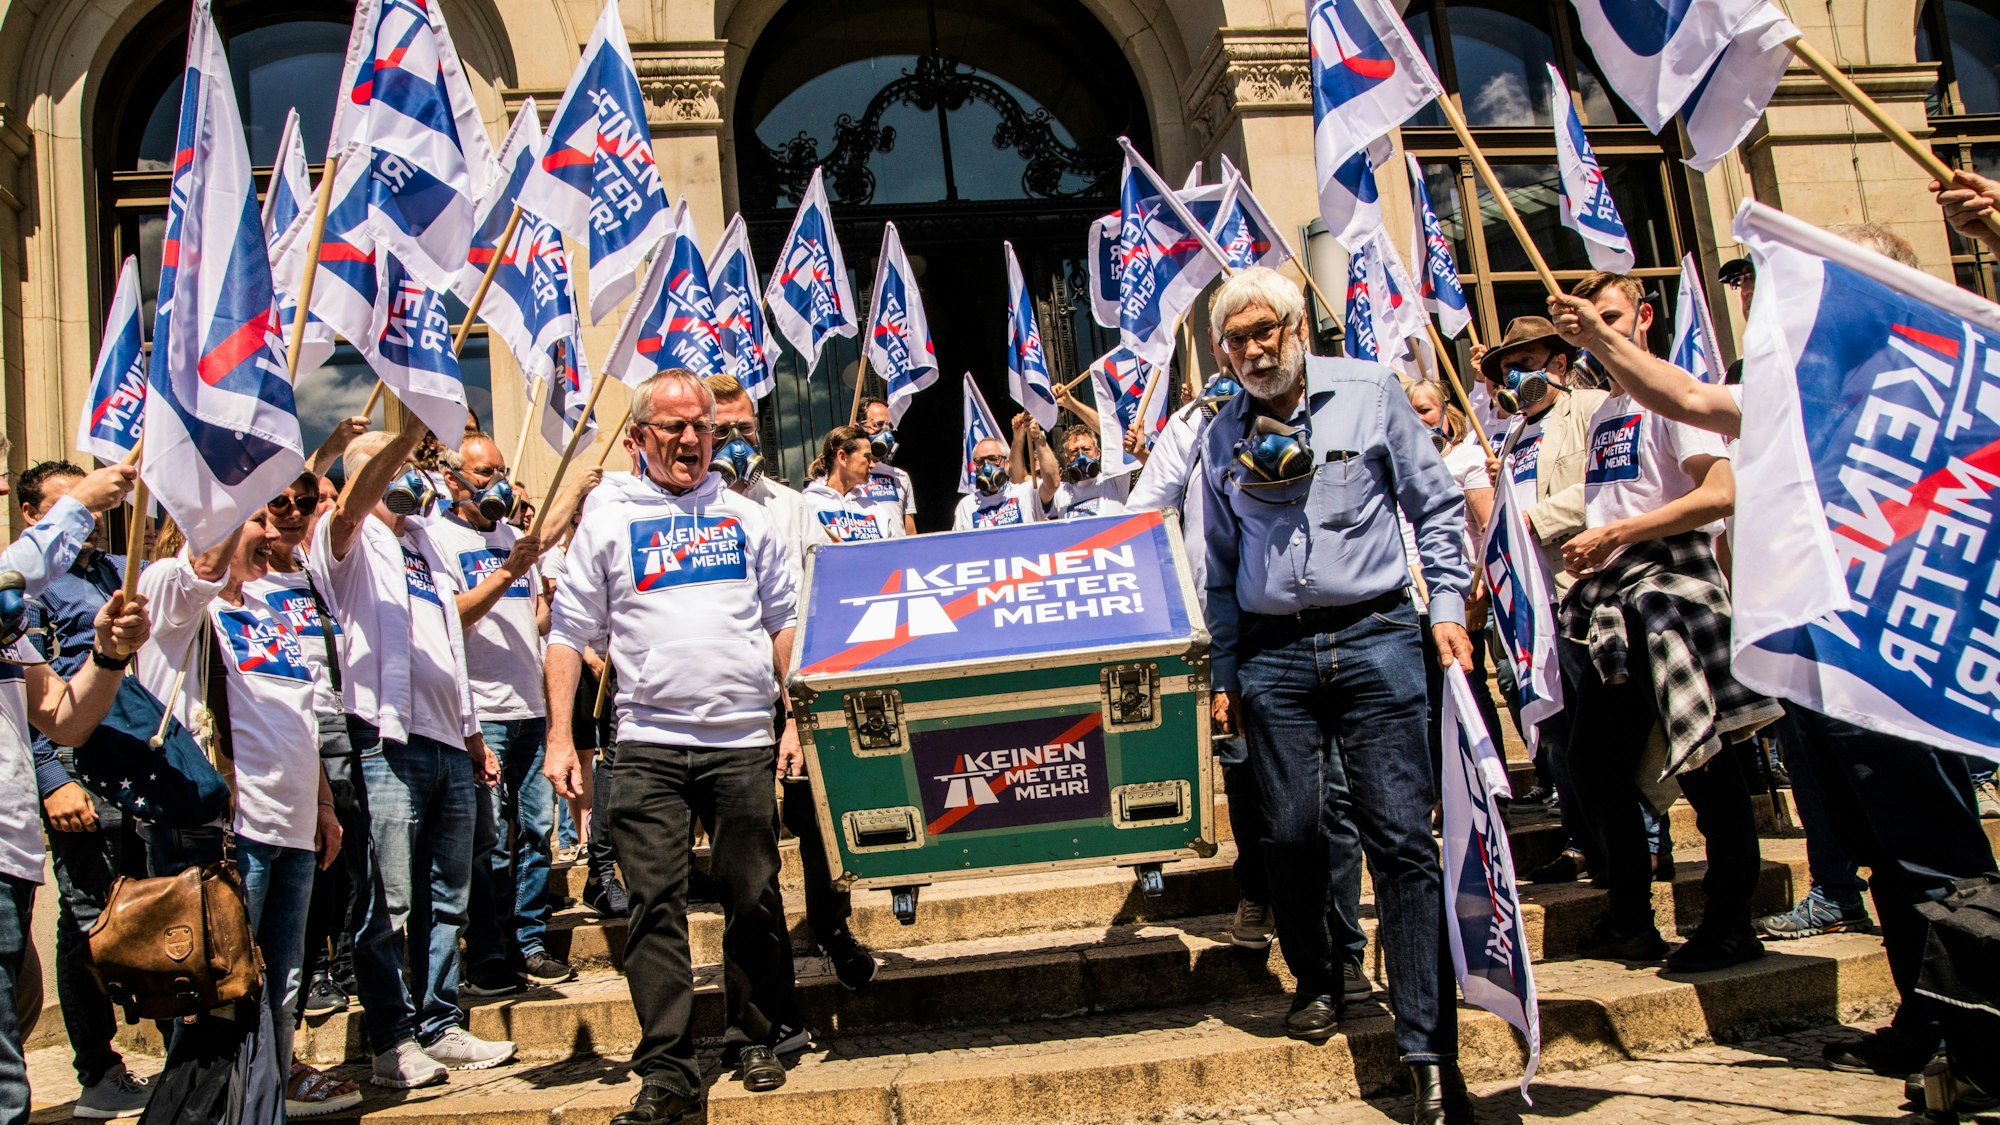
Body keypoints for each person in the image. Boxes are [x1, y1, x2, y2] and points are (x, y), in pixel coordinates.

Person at [1545, 219, 1999, 1088]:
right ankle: (1923, 1014)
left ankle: (1983, 1040)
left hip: (1902, 659)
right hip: (1820, 658)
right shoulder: (1802, 390)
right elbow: (1682, 397)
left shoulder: (1936, 380)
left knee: (1936, 857)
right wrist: (1601, 337)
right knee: (1874, 853)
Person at [1199, 267, 1474, 1124]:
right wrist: (1223, 673)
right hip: (1273, 654)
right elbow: (1215, 569)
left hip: (1378, 634)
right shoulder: (1217, 440)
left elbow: (1436, 505)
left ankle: (1431, 1054)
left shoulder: (1370, 393)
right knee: (1286, 831)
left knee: (1401, 839)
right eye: (1237, 340)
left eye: (1264, 331)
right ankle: (1318, 978)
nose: (1253, 350)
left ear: (1294, 327)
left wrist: (1450, 607)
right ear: (1222, 350)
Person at [545, 369, 804, 1123]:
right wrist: (562, 734)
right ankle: (668, 1067)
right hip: (649, 746)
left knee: (751, 894)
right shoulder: (607, 519)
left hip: (742, 741)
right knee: (653, 903)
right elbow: (568, 631)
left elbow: (784, 624)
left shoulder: (749, 520)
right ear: (638, 439)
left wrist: (793, 720)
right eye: (673, 427)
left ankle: (752, 1035)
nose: (691, 439)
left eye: (704, 427)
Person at [1548, 271, 1778, 973]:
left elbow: (1719, 493)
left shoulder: (1670, 393)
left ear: (1645, 316)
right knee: (1594, 763)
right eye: (1586, 323)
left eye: (1609, 317)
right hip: (1616, 601)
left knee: (1707, 761)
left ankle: (1731, 918)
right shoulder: (1609, 408)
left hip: (1671, 591)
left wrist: (1621, 534)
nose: (1596, 332)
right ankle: (1632, 917)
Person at [309, 426, 515, 1089]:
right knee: (386, 899)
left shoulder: (425, 544)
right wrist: (401, 438)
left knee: (444, 897)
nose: (412, 474)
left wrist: (473, 733)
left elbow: (447, 644)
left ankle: (440, 1020)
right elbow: (352, 500)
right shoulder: (348, 540)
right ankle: (390, 1037)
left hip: (447, 743)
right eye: (394, 466)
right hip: (385, 740)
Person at [134, 510, 358, 1117]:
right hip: (222, 839)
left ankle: (262, 1111)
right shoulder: (170, 592)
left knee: (280, 992)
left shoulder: (265, 607)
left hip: (290, 832)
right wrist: (233, 493)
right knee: (215, 998)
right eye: (255, 518)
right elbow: (201, 566)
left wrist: (322, 803)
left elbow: (300, 713)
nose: (271, 530)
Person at [710, 374, 879, 991]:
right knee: (750, 837)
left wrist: (805, 702)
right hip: (729, 696)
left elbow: (822, 594)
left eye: (745, 430)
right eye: (722, 431)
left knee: (815, 819)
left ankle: (832, 927)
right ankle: (767, 957)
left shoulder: (790, 504)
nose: (735, 442)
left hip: (793, 687)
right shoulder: (687, 507)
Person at [9, 461, 148, 1121]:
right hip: (77, 784)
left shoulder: (111, 570)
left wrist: (111, 653)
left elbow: (59, 705)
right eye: (68, 509)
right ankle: (97, 1065)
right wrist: (52, 777)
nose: (87, 519)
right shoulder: (18, 587)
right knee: (87, 920)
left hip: (131, 775)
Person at [426, 433, 576, 995]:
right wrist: (509, 571)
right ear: (452, 478)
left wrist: (556, 595)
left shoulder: (513, 537)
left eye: (499, 471)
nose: (494, 483)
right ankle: (486, 950)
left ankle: (530, 939)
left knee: (536, 832)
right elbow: (453, 615)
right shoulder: (436, 540)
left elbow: (535, 617)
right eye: (482, 473)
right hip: (479, 711)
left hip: (530, 707)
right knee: (485, 840)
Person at [242, 471, 366, 1114]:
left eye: (299, 504)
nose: (286, 517)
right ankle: (233, 1089)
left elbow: (303, 699)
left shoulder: (301, 587)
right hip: (242, 807)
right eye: (273, 505)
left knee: (287, 964)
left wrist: (320, 797)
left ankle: (274, 1080)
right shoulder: (208, 591)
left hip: (308, 777)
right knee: (237, 961)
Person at [801, 426, 903, 542]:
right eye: (867, 457)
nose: (872, 465)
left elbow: (892, 553)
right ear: (842, 457)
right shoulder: (807, 506)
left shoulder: (876, 510)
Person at [952, 436, 1043, 530]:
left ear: (1007, 464)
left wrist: (1039, 438)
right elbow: (962, 542)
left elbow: (1053, 484)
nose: (987, 467)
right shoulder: (966, 506)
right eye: (980, 461)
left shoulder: (1025, 492)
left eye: (993, 459)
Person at [857, 398, 919, 535]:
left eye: (889, 427)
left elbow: (910, 531)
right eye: (879, 424)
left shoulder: (900, 477)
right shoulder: (847, 476)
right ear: (858, 428)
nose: (886, 432)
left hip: (898, 555)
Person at [1047, 424, 1130, 520]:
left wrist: (1074, 407)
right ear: (1067, 459)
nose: (1081, 456)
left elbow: (1114, 435)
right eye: (1074, 451)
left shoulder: (1114, 481)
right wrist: (1037, 438)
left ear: (1098, 453)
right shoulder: (1061, 493)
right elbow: (1028, 488)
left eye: (1086, 449)